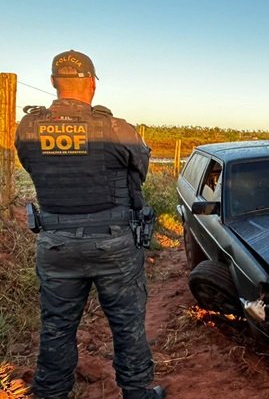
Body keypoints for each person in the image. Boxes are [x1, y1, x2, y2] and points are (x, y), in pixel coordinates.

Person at [14, 50, 165, 399]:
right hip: (114, 243)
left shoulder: (29, 127)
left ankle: (51, 393)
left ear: (54, 82)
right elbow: (139, 172)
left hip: (56, 243)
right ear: (93, 84)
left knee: (57, 326)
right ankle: (137, 392)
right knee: (127, 324)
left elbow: (30, 165)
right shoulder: (116, 129)